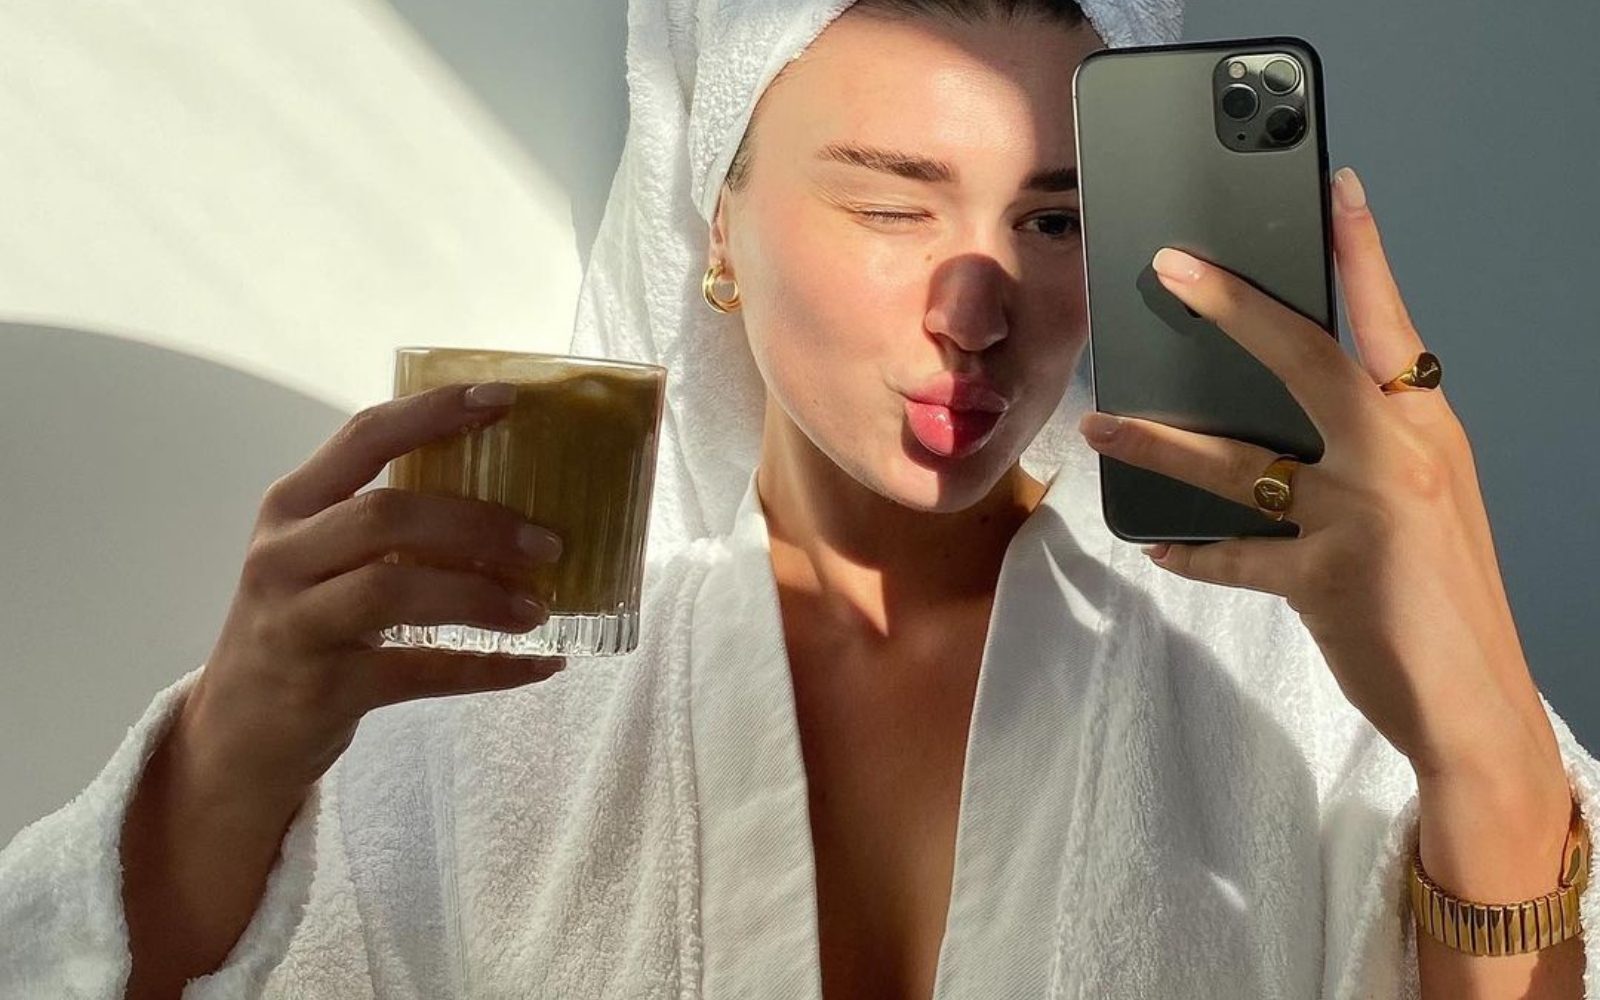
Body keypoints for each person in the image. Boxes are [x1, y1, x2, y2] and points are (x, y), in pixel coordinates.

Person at [2, 0, 1596, 997]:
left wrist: (1487, 755)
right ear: (717, 221)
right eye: (894, 203)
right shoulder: (478, 697)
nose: (976, 309)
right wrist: (222, 771)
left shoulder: (1293, 680)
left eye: (1055, 222)